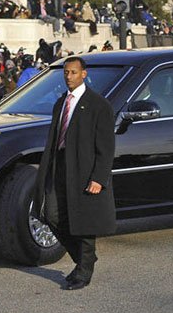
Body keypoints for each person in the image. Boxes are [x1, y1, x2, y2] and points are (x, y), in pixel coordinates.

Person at [32, 57, 116, 290]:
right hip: (60, 166)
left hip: (84, 170)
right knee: (52, 214)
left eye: (73, 73)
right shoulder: (61, 103)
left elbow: (106, 146)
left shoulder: (99, 105)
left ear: (84, 74)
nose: (68, 77)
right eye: (66, 73)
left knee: (85, 221)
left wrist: (98, 178)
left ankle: (83, 271)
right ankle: (84, 258)